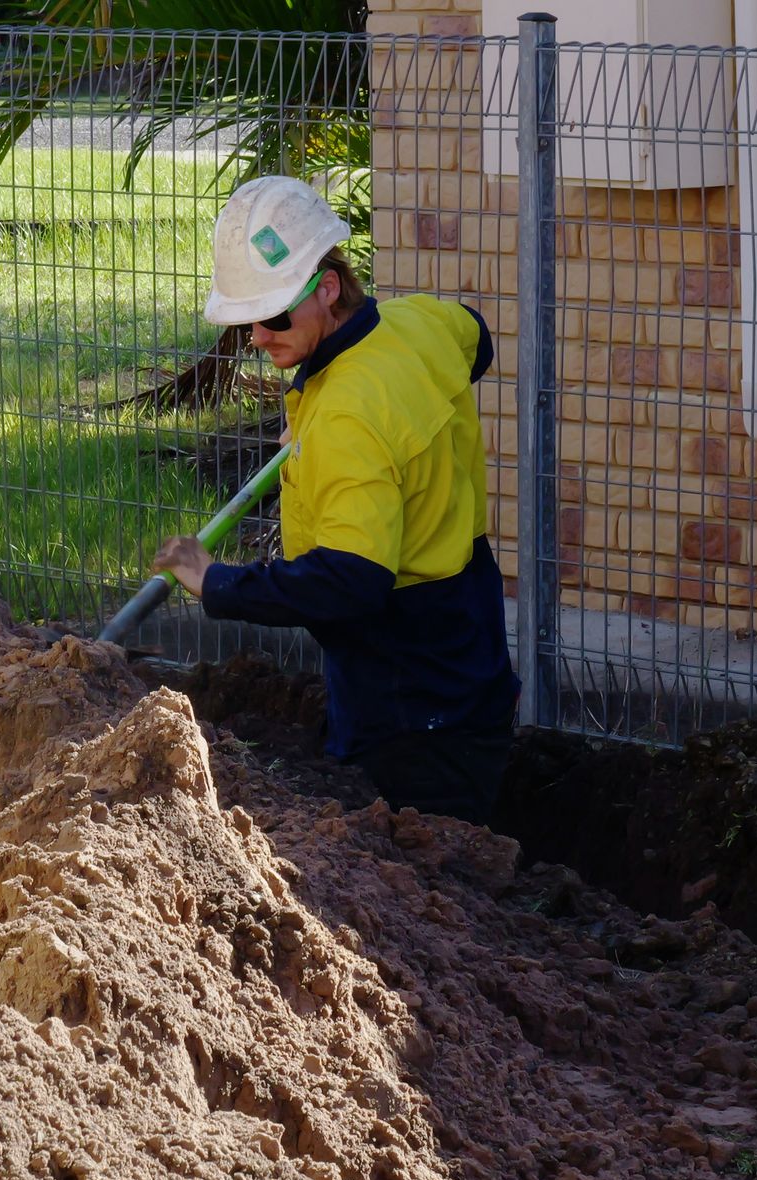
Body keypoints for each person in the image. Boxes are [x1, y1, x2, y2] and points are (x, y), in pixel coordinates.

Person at [153, 175, 518, 824]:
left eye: (270, 317)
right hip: (468, 642)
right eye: (246, 323)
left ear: (326, 289)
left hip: (409, 687)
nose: (259, 339)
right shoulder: (418, 323)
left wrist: (218, 583)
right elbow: (478, 339)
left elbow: (352, 580)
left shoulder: (348, 414)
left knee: (429, 868)